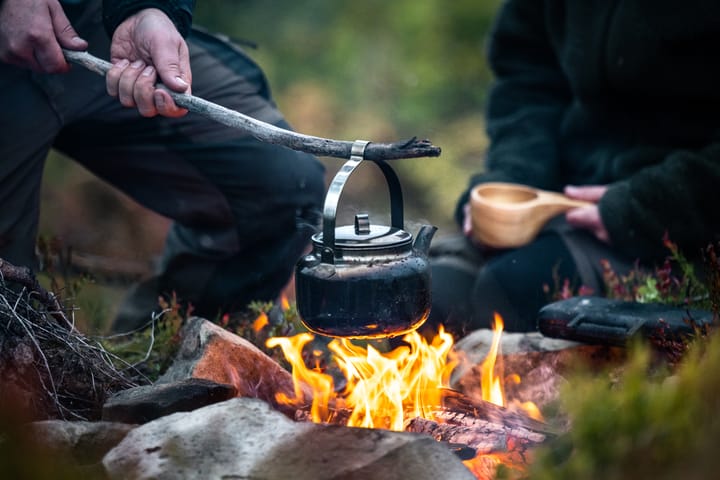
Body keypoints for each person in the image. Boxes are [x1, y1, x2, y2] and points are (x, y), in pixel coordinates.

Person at [0, 0, 326, 331]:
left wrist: (147, 8)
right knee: (10, 308)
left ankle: (157, 355)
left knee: (282, 183)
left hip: (94, 22)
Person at [427, 0, 720, 336]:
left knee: (510, 288)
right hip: (560, 192)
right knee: (430, 296)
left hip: (682, 230)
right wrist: (515, 177)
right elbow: (528, 74)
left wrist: (649, 204)